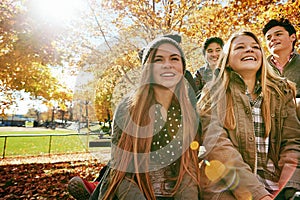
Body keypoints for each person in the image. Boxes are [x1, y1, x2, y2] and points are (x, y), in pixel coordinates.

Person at [83, 35, 202, 199]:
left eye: (174, 59)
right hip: (135, 191)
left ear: (183, 67)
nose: (167, 65)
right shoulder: (127, 109)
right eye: (158, 60)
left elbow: (189, 170)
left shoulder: (188, 113)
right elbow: (121, 171)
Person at [197, 30, 300, 200]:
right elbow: (219, 148)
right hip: (228, 185)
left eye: (255, 47)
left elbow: (292, 143)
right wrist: (258, 195)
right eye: (240, 47)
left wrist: (289, 188)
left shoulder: (282, 92)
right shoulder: (214, 94)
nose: (249, 50)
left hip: (277, 183)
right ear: (228, 60)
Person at [262, 18, 300, 119]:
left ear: (292, 37)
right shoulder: (261, 67)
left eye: (278, 34)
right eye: (268, 38)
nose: (272, 39)